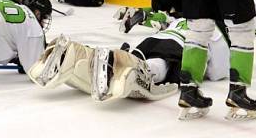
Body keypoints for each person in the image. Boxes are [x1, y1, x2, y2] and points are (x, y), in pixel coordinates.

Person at [29, 17, 228, 103]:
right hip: (179, 47)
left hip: (152, 40)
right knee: (161, 66)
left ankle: (82, 54)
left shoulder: (185, 18)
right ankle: (138, 71)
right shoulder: (217, 31)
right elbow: (217, 72)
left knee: (134, 57)